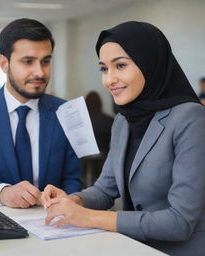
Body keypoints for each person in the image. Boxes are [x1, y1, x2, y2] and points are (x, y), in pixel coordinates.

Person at [41, 21, 205, 256]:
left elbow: (179, 222)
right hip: (134, 247)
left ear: (150, 64)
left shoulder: (191, 118)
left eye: (120, 65)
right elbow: (105, 190)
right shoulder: (123, 120)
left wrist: (89, 217)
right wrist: (73, 201)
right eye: (104, 69)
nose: (109, 80)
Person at [0, 18, 82, 209]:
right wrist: (2, 192)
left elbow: (73, 179)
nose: (39, 72)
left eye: (45, 61)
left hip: (54, 223)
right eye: (28, 62)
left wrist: (67, 200)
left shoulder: (66, 112)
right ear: (4, 64)